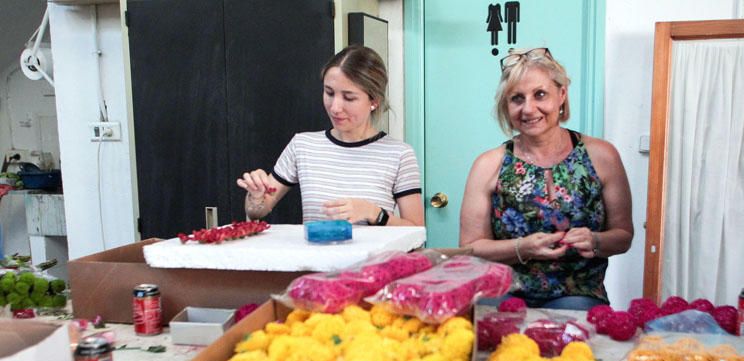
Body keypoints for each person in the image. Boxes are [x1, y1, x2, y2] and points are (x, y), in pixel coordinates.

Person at [459, 47, 633, 310]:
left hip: (578, 293)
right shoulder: (488, 165)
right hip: (503, 292)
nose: (528, 109)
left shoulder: (602, 156)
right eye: (517, 98)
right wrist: (522, 247)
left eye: (540, 94)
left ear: (561, 94)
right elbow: (471, 247)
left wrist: (596, 241)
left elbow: (623, 236)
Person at [237, 45, 424, 227]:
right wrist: (256, 196)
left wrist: (374, 213)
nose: (335, 107)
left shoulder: (399, 154)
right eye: (329, 93)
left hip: (374, 259)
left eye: (349, 98)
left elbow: (417, 234)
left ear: (374, 101)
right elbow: (257, 211)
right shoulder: (302, 146)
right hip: (314, 258)